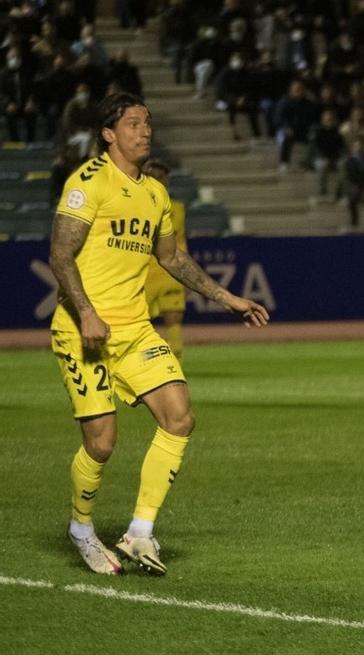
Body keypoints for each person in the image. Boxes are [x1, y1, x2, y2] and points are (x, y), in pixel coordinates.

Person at [49, 93, 270, 577]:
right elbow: (60, 254)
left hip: (132, 329)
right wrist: (85, 313)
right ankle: (82, 529)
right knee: (102, 444)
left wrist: (226, 297)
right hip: (82, 331)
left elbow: (171, 259)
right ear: (109, 134)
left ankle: (140, 533)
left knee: (179, 417)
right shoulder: (89, 182)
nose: (144, 131)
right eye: (133, 124)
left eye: (147, 123)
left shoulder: (154, 193)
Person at [141, 159, 188, 359]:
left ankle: (175, 362)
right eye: (157, 176)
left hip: (171, 271)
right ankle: (147, 359)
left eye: (164, 176)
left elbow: (180, 240)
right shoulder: (135, 205)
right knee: (142, 323)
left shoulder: (177, 208)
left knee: (174, 317)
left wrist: (186, 276)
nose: (162, 180)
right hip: (144, 272)